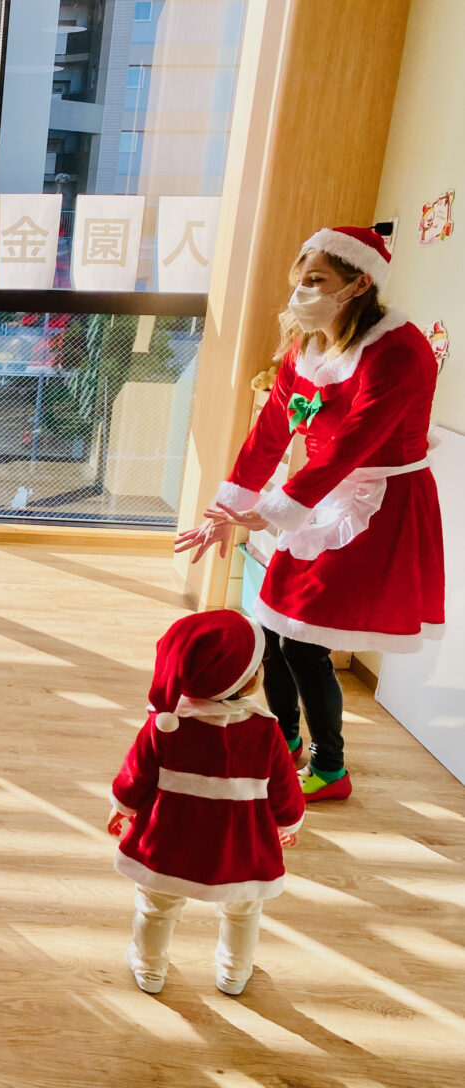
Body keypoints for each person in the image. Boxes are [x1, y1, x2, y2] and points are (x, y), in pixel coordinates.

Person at [177, 227, 444, 802]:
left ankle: (330, 768)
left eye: (317, 279)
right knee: (273, 625)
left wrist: (277, 509)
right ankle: (285, 742)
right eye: (300, 278)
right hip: (321, 495)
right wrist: (228, 507)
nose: (302, 290)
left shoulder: (400, 350)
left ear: (360, 283)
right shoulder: (307, 347)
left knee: (303, 642)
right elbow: (271, 430)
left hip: (378, 505)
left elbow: (354, 444)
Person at [108, 609, 305, 996]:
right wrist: (288, 822)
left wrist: (122, 806)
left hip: (170, 840)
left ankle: (149, 968)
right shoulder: (265, 729)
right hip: (240, 844)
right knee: (243, 908)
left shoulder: (166, 723)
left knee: (156, 904)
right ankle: (234, 972)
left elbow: (136, 773)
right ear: (246, 681)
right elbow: (284, 787)